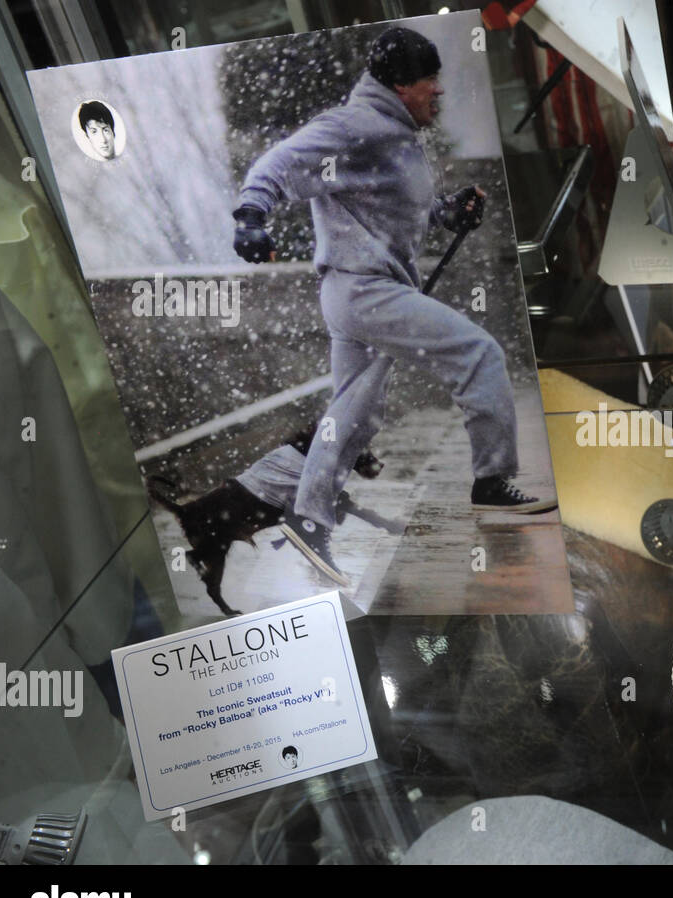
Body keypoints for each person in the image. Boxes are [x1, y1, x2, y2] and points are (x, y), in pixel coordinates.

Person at [232, 26, 556, 585]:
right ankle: (491, 483)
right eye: (431, 80)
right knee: (479, 354)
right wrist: (251, 216)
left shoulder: (395, 134)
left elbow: (389, 207)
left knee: (354, 412)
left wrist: (445, 213)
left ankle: (309, 520)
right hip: (365, 291)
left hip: (358, 290)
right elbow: (280, 161)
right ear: (402, 84)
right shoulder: (355, 124)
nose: (439, 91)